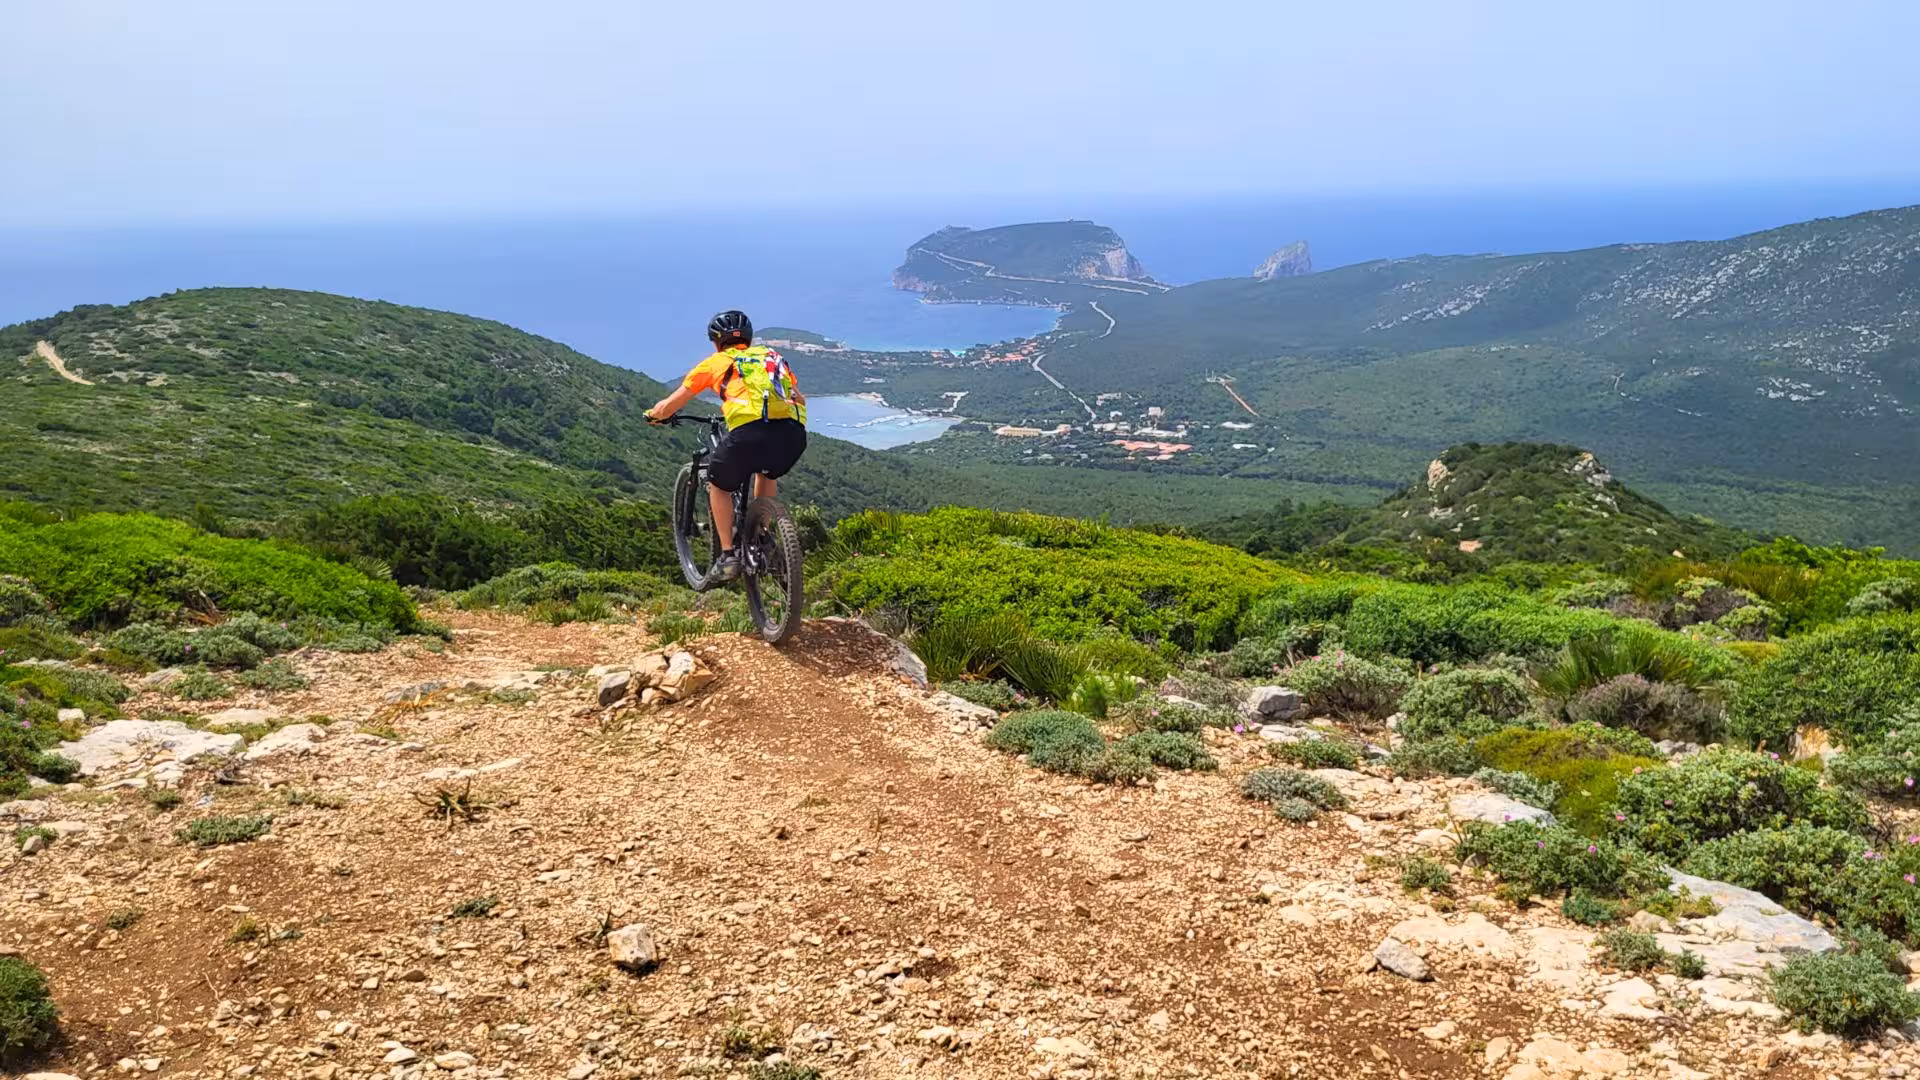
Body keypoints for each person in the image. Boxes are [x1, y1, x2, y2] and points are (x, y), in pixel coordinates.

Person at [645, 310, 807, 581]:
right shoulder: (771, 357)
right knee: (767, 472)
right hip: (792, 435)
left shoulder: (715, 362)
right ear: (749, 338)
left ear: (716, 342)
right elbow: (799, 399)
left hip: (747, 435)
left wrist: (653, 415)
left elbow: (671, 404)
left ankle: (728, 555)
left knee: (718, 484)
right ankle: (761, 534)